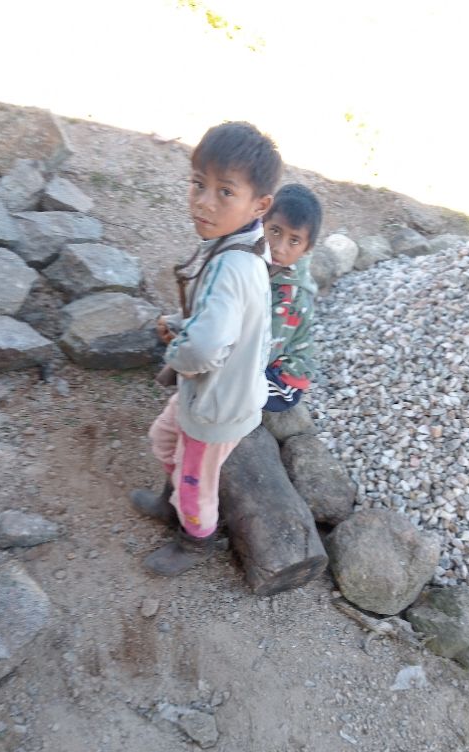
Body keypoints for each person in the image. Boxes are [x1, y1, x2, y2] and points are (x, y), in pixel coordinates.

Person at [130, 121, 282, 576]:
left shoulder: (232, 266)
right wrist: (184, 325)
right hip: (208, 393)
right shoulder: (240, 244)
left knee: (197, 484)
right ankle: (171, 499)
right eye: (198, 184)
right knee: (164, 438)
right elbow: (224, 320)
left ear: (260, 205)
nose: (203, 201)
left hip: (217, 404)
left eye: (224, 192)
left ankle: (195, 540)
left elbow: (207, 346)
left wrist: (179, 350)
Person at [262, 183, 322, 412]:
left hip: (282, 373)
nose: (279, 248)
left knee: (232, 388)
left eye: (294, 240)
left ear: (307, 248)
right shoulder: (257, 258)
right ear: (261, 222)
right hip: (261, 347)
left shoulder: (291, 295)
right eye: (275, 231)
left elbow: (268, 350)